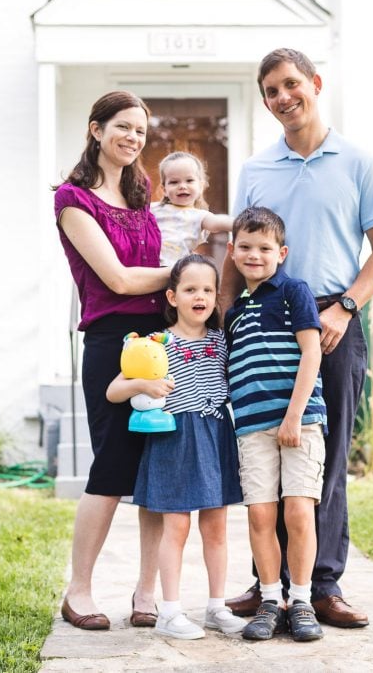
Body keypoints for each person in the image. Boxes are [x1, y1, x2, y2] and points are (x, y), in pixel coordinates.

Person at [224, 48, 373, 629]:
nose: (282, 98)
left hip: (333, 323)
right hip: (260, 326)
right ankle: (266, 585)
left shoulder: (358, 162)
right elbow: (237, 253)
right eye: (271, 90)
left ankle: (321, 587)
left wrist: (346, 307)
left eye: (291, 84)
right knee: (264, 453)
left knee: (322, 459)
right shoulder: (256, 170)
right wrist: (225, 325)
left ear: (315, 83)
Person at [53, 90, 171, 631]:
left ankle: (146, 592)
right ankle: (78, 591)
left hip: (161, 340)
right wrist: (189, 277)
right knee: (112, 467)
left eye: (141, 132)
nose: (132, 138)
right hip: (110, 344)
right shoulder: (74, 200)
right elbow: (118, 279)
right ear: (96, 130)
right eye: (122, 127)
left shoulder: (142, 194)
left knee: (156, 471)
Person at [106, 254, 245, 640]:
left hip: (216, 435)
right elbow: (114, 391)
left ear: (217, 297)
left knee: (216, 527)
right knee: (177, 527)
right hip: (175, 439)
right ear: (171, 296)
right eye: (190, 289)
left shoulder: (222, 341)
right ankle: (169, 611)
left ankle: (217, 607)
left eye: (207, 290)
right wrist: (143, 385)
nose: (199, 296)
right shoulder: (156, 346)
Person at [225, 207, 326, 643]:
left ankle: (301, 600)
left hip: (298, 423)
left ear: (281, 253)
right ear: (231, 252)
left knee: (299, 511)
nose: (254, 255)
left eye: (264, 248)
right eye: (245, 247)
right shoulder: (232, 312)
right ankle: (270, 599)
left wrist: (294, 415)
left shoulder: (293, 291)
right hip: (252, 428)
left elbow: (312, 352)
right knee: (261, 513)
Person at [152, 151, 233, 267]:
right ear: (164, 189)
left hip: (175, 273)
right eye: (174, 182)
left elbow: (218, 222)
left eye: (189, 180)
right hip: (146, 269)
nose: (182, 186)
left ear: (200, 186)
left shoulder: (199, 216)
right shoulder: (153, 208)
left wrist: (245, 223)